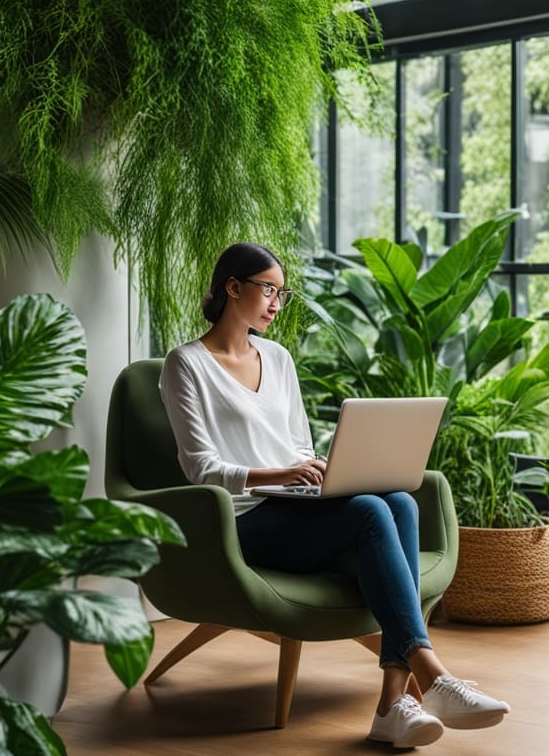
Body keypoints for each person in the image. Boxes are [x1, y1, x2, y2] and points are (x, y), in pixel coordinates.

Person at [160, 242, 511, 748]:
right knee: (371, 510)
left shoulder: (278, 359)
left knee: (402, 501)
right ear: (232, 288)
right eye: (267, 290)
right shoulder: (185, 364)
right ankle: (429, 676)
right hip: (238, 521)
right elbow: (200, 468)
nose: (276, 303)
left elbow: (300, 444)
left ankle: (393, 702)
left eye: (282, 293)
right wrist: (280, 473)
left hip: (295, 507)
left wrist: (321, 469)